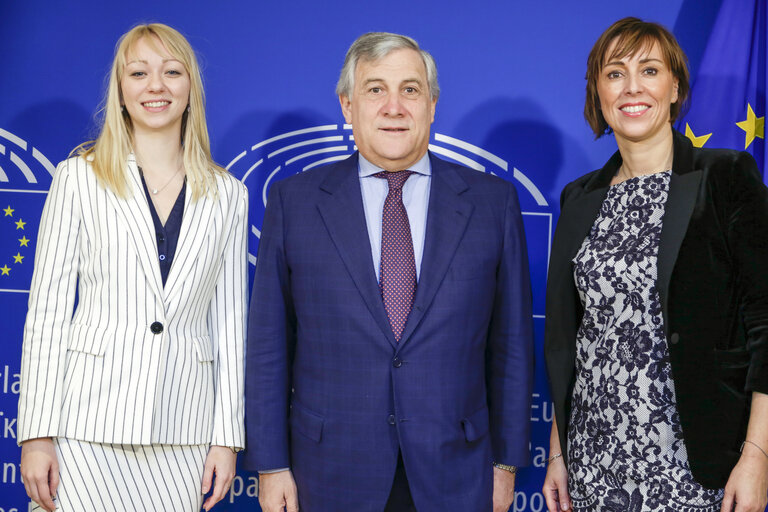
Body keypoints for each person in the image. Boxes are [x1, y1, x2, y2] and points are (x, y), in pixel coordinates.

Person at [244, 32, 534, 512]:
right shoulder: (294, 202)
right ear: (347, 105)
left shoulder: (492, 203)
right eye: (375, 89)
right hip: (329, 473)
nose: (394, 106)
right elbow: (270, 346)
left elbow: (512, 347)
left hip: (458, 473)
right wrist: (272, 466)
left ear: (432, 105)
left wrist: (504, 466)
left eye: (411, 90)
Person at [17, 23, 247, 512]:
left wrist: (226, 437)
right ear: (121, 90)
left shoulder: (229, 194)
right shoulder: (77, 179)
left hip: (184, 434)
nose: (156, 86)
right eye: (139, 73)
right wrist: (36, 434)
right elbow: (47, 317)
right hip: (85, 429)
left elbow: (230, 324)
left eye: (171, 72)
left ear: (191, 87)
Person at [543, 17, 768, 512]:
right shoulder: (579, 198)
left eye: (649, 70)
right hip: (594, 462)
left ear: (674, 88)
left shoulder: (724, 177)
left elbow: (765, 325)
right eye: (615, 73)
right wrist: (558, 452)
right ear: (598, 92)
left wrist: (758, 456)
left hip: (696, 465)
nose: (631, 88)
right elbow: (569, 339)